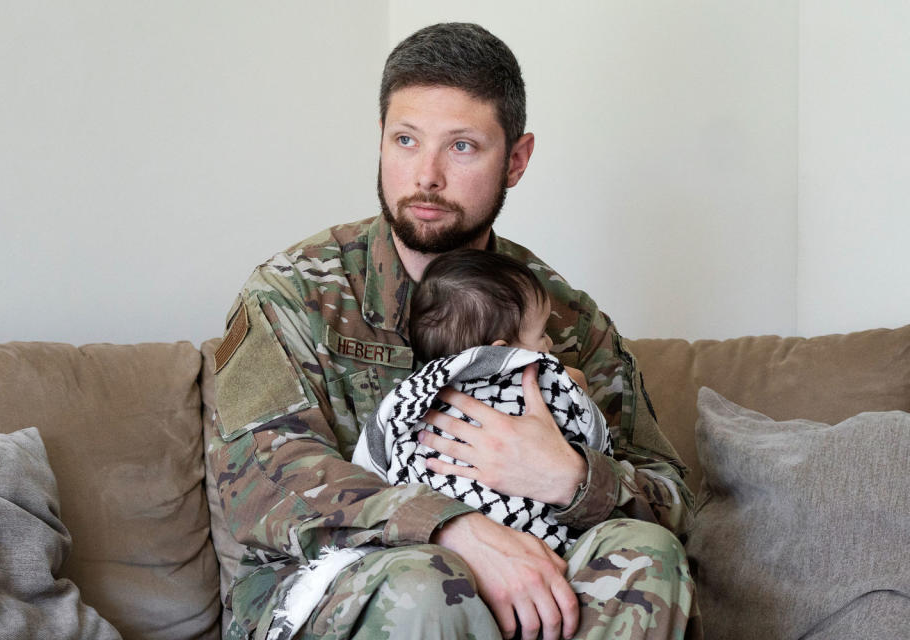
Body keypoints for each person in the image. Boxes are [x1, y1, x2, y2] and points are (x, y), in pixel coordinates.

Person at [212, 22, 699, 640]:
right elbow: (261, 480)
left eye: (462, 146)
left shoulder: (564, 317)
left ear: (516, 160)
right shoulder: (292, 292)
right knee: (425, 585)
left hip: (538, 571)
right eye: (406, 140)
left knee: (646, 554)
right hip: (336, 585)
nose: (426, 176)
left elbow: (672, 498)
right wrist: (454, 528)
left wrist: (570, 478)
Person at [352, 248, 614, 557]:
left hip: (433, 550)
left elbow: (369, 462)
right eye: (542, 334)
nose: (550, 344)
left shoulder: (410, 394)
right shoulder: (552, 381)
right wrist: (576, 389)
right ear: (501, 350)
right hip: (541, 543)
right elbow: (599, 445)